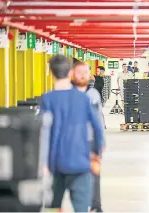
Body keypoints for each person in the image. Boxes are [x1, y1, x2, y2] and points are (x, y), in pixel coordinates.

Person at [40, 55, 104, 212]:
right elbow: (97, 126)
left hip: (56, 164)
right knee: (81, 208)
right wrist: (96, 152)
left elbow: (43, 132)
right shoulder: (83, 98)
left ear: (51, 73)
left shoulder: (47, 99)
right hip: (81, 162)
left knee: (53, 207)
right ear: (70, 72)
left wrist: (43, 163)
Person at [72, 61, 105, 213]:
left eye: (86, 72)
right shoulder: (68, 93)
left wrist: (101, 142)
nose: (84, 75)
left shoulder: (93, 94)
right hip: (72, 141)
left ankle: (95, 205)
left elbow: (98, 121)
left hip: (90, 141)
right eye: (80, 72)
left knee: (94, 174)